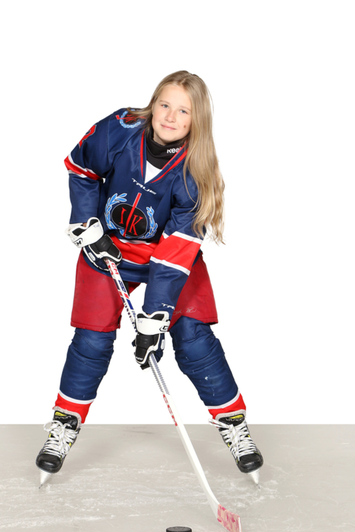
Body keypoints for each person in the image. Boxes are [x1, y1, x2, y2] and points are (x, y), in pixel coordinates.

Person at [36, 71, 263, 479]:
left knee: (193, 339)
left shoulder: (196, 172)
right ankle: (64, 423)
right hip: (107, 248)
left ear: (197, 120)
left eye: (183, 111)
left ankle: (234, 424)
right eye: (165, 105)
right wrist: (87, 224)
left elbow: (175, 254)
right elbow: (81, 168)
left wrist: (154, 318)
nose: (171, 117)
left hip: (168, 259)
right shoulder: (121, 128)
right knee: (91, 340)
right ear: (153, 103)